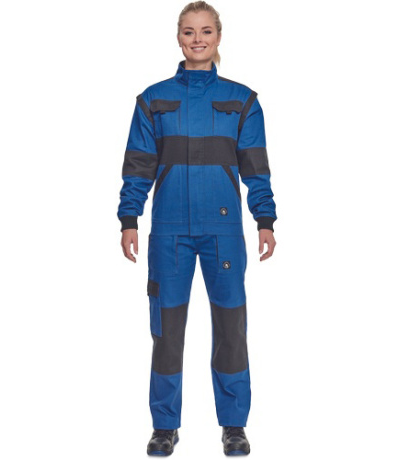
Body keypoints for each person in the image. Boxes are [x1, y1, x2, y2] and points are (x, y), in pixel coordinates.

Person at [117, 1, 277, 456]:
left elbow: (256, 167)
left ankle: (234, 425)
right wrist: (129, 218)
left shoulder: (242, 100)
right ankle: (164, 426)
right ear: (179, 38)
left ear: (218, 37)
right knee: (166, 332)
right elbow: (138, 166)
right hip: (168, 233)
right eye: (189, 31)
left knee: (231, 328)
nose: (198, 39)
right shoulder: (153, 100)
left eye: (206, 31)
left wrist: (265, 219)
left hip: (224, 233)